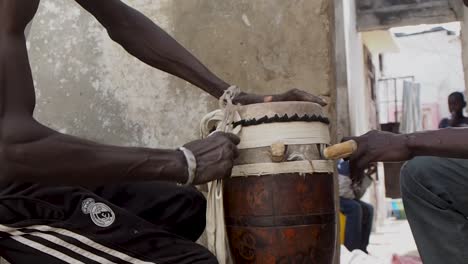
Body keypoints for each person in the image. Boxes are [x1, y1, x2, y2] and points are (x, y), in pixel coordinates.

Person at [0, 1, 325, 263]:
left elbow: (121, 21)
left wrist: (229, 94)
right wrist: (180, 162)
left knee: (184, 208)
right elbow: (11, 150)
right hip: (10, 195)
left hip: (28, 167)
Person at [338, 159, 374, 253]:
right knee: (355, 208)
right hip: (335, 197)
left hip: (346, 197)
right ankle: (351, 248)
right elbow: (342, 191)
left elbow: (357, 196)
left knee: (369, 209)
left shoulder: (359, 170)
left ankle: (362, 248)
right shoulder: (344, 164)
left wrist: (367, 176)